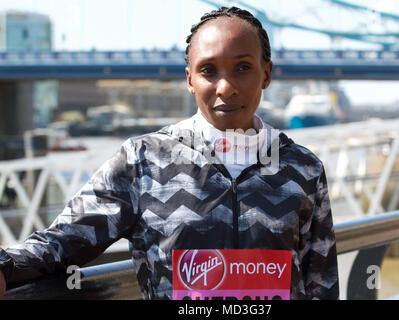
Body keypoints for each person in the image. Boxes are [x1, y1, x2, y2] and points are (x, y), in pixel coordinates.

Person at [0, 6, 339, 300]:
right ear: (190, 79)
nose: (226, 86)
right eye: (208, 70)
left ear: (266, 74)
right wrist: (4, 267)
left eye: (242, 67)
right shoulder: (142, 161)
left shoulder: (303, 168)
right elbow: (65, 238)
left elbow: (322, 284)